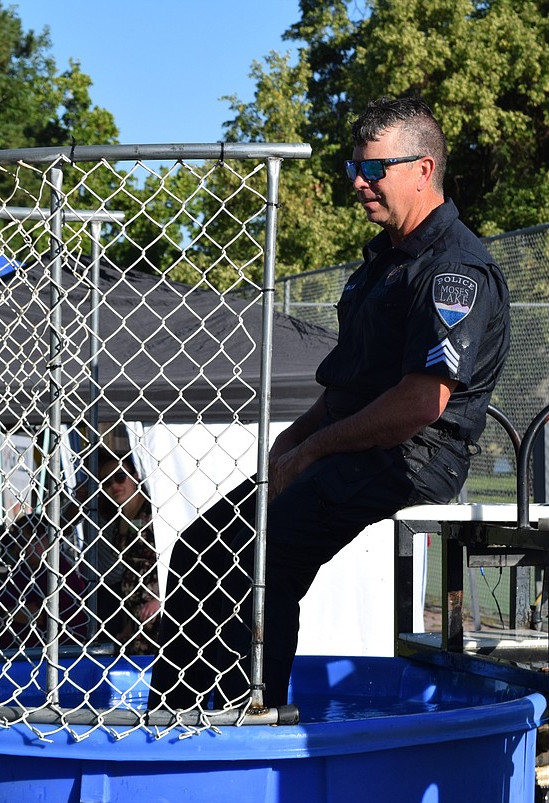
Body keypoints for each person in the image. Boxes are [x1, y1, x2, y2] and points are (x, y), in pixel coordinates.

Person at [149, 96, 511, 711]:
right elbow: (350, 386)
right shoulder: (382, 260)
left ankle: (249, 715)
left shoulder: (454, 270)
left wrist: (315, 446)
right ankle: (176, 717)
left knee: (266, 557)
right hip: (355, 441)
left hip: (413, 457)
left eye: (376, 169)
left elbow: (421, 404)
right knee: (199, 542)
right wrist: (296, 439)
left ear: (423, 170)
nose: (361, 184)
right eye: (355, 170)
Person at [0, 512, 88, 651]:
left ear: (45, 540)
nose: (17, 549)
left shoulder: (59, 571)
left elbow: (42, 615)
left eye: (22, 542)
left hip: (48, 650)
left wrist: (1, 614)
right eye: (14, 543)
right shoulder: (22, 570)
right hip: (4, 647)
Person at [88, 451, 159, 655]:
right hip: (135, 614)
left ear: (136, 476)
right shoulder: (117, 522)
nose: (114, 486)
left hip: (159, 611)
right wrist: (130, 624)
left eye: (120, 477)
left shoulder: (154, 513)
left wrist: (161, 599)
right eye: (107, 483)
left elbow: (176, 557)